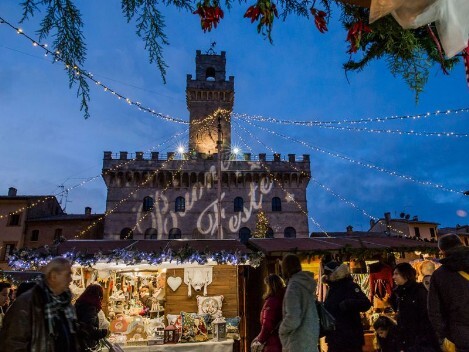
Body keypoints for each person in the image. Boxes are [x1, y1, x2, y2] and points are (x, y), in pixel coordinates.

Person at [0, 257, 79, 352]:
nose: (71, 280)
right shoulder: (27, 303)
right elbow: (13, 344)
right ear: (54, 276)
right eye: (68, 275)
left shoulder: (65, 305)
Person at [428, 233, 469, 352]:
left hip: (459, 336)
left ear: (442, 251)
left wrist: (443, 336)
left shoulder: (439, 275)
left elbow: (434, 310)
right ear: (462, 244)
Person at [322, 261, 371, 352]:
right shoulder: (331, 288)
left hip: (350, 338)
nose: (327, 276)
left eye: (328, 274)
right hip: (335, 337)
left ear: (336, 273)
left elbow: (366, 303)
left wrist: (348, 303)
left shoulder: (350, 286)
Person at [390, 262, 439, 352]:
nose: (393, 277)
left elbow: (426, 315)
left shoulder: (419, 290)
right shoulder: (397, 293)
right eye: (393, 274)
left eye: (396, 274)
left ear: (406, 274)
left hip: (421, 340)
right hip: (406, 339)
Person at [279, 253, 319, 352]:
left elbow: (293, 318)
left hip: (297, 342)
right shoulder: (304, 285)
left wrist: (282, 330)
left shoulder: (294, 287)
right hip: (309, 340)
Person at [252, 274, 285, 352]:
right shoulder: (283, 298)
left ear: (270, 286)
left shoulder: (272, 302)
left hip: (273, 342)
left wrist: (260, 340)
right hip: (282, 339)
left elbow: (268, 324)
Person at [75, 284, 108, 352]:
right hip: (86, 344)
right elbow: (88, 329)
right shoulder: (90, 308)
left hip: (78, 342)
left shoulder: (79, 304)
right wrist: (104, 332)